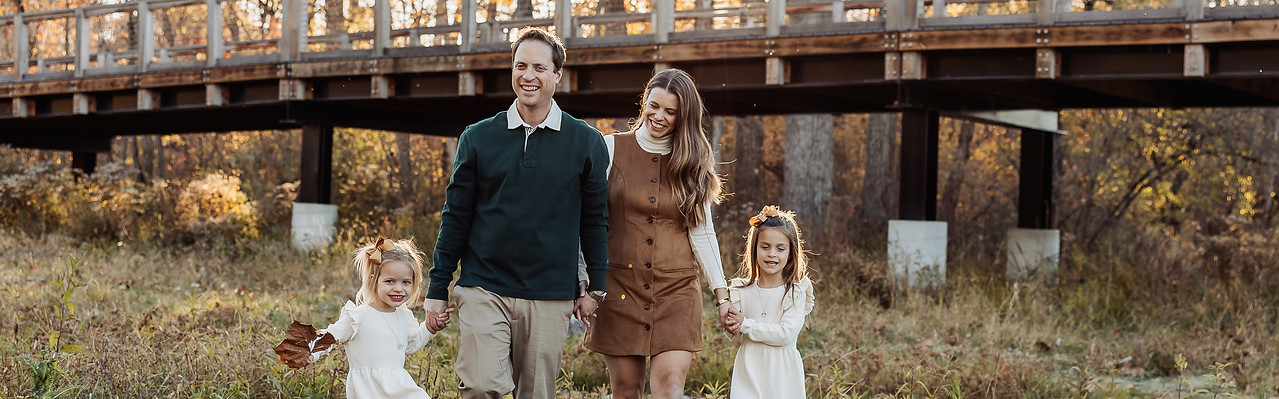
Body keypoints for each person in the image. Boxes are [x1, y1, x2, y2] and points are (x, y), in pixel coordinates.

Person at [423, 26, 610, 399]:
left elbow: (594, 220)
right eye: (521, 65)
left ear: (557, 74)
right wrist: (437, 286)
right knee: (479, 386)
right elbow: (456, 216)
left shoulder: (587, 142)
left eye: (540, 68)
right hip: (484, 285)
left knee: (536, 394)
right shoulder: (477, 137)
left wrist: (597, 286)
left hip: (550, 292)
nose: (529, 76)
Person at [580, 68, 731, 399]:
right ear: (644, 103)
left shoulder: (693, 161)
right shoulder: (609, 148)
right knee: (626, 390)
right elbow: (586, 219)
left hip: (676, 291)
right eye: (654, 105)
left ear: (684, 116)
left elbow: (703, 232)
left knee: (670, 388)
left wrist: (722, 295)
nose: (658, 116)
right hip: (620, 289)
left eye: (670, 111)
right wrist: (584, 281)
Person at [310, 237, 453, 398]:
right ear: (374, 281)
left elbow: (411, 346)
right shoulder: (358, 317)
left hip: (399, 388)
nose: (398, 289)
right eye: (390, 281)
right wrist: (308, 352)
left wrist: (429, 327)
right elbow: (330, 336)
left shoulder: (404, 316)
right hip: (368, 390)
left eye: (406, 282)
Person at [723, 205, 815, 399]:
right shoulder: (741, 290)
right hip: (749, 368)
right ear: (754, 248)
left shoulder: (794, 293)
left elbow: (785, 335)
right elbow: (734, 330)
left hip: (781, 374)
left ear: (790, 253)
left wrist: (745, 323)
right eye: (765, 247)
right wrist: (731, 326)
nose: (772, 254)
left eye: (780, 248)